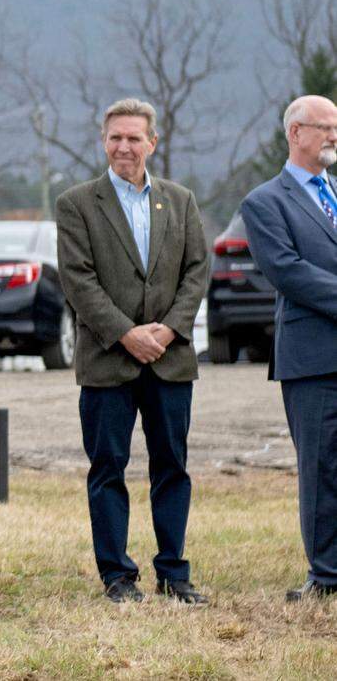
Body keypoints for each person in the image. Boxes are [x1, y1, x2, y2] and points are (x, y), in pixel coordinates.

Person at [55, 98, 209, 604]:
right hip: (107, 361)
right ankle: (117, 576)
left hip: (171, 360)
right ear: (104, 141)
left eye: (134, 138)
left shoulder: (180, 200)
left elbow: (196, 271)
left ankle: (174, 572)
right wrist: (127, 333)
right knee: (108, 470)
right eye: (116, 137)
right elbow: (78, 280)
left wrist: (166, 330)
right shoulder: (77, 203)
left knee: (173, 467)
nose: (125, 146)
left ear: (152, 142)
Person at [241, 94, 337, 602]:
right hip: (313, 356)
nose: (332, 136)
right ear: (295, 133)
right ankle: (326, 576)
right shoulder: (265, 201)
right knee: (321, 469)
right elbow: (289, 272)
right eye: (322, 127)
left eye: (335, 128)